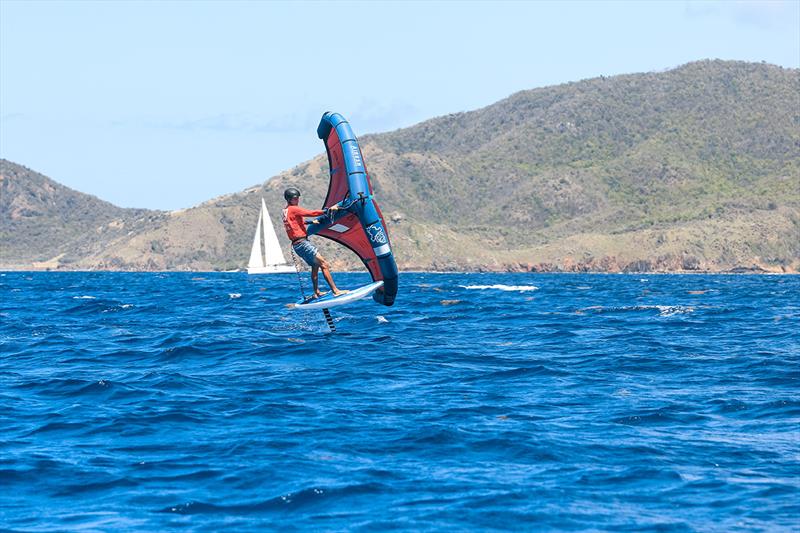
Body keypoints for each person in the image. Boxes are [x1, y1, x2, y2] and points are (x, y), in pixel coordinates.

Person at [282, 187, 347, 298]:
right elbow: (311, 212)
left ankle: (316, 292)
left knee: (315, 266)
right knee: (324, 264)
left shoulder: (286, 211)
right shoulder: (293, 209)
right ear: (289, 199)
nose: (297, 200)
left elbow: (297, 221)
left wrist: (312, 222)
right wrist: (329, 210)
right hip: (302, 244)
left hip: (297, 245)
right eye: (295, 198)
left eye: (298, 198)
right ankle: (336, 291)